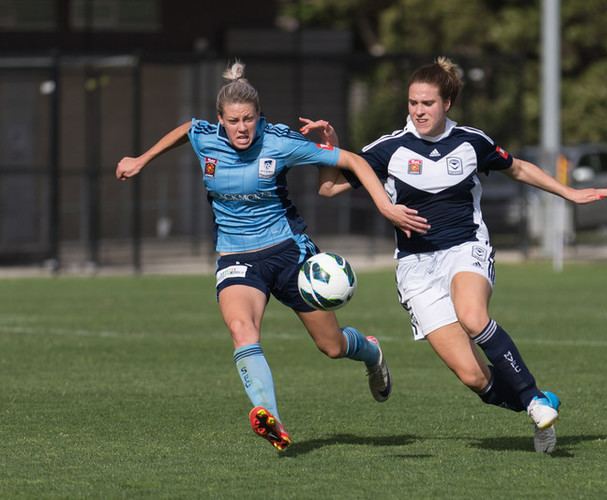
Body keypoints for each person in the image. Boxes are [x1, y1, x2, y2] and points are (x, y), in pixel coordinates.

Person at [304, 56, 607, 454]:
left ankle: (536, 401)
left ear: (446, 103)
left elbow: (518, 168)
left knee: (472, 317)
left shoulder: (472, 141)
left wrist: (569, 193)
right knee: (475, 379)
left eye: (427, 104)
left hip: (465, 249)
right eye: (413, 103)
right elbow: (329, 190)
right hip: (416, 268)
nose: (418, 111)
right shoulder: (388, 149)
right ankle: (536, 403)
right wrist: (330, 151)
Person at [115, 60, 429, 452]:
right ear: (220, 120)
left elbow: (353, 161)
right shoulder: (206, 137)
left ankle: (371, 351)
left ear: (259, 117)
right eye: (233, 121)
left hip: (288, 252)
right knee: (241, 329)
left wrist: (384, 206)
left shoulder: (280, 141)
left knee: (331, 346)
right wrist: (141, 160)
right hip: (236, 257)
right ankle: (270, 418)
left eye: (248, 119)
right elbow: (185, 130)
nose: (242, 128)